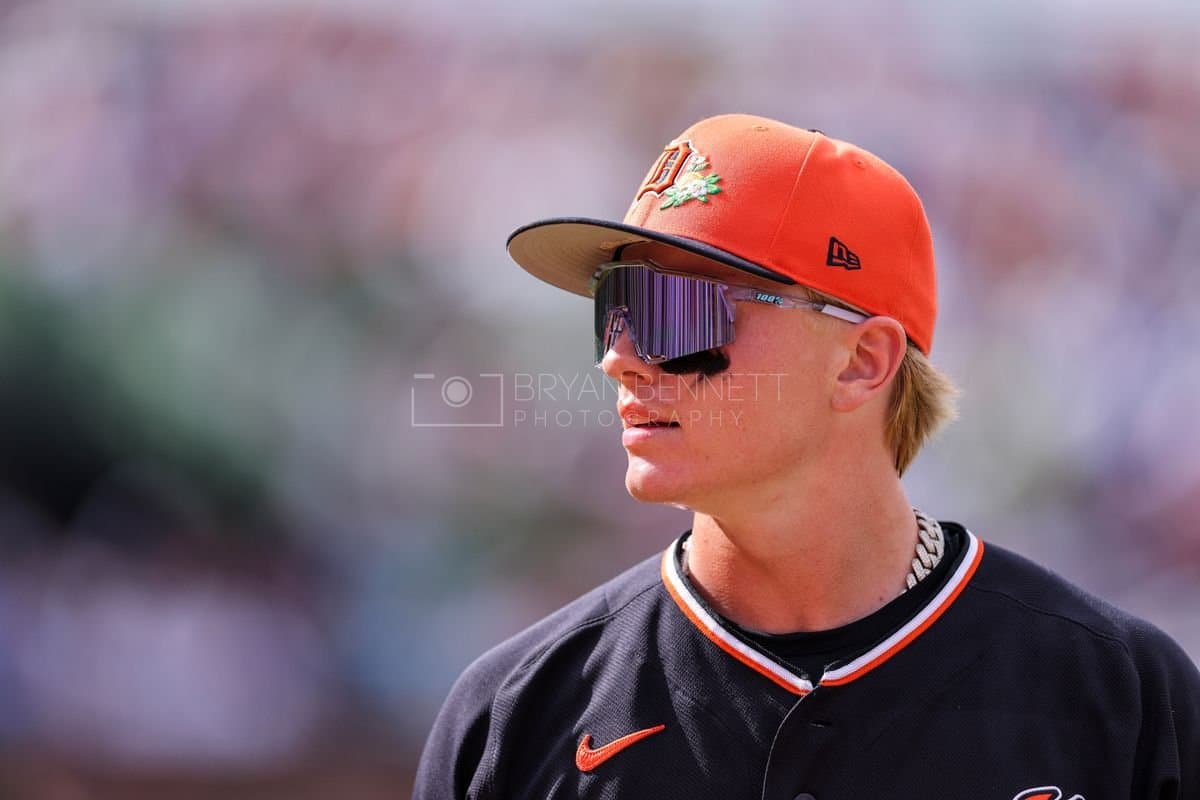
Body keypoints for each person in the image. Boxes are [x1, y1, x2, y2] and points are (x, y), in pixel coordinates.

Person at [413, 114, 1200, 799]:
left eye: (675, 310)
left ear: (862, 361)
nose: (620, 358)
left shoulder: (1126, 698)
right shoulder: (514, 712)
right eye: (614, 308)